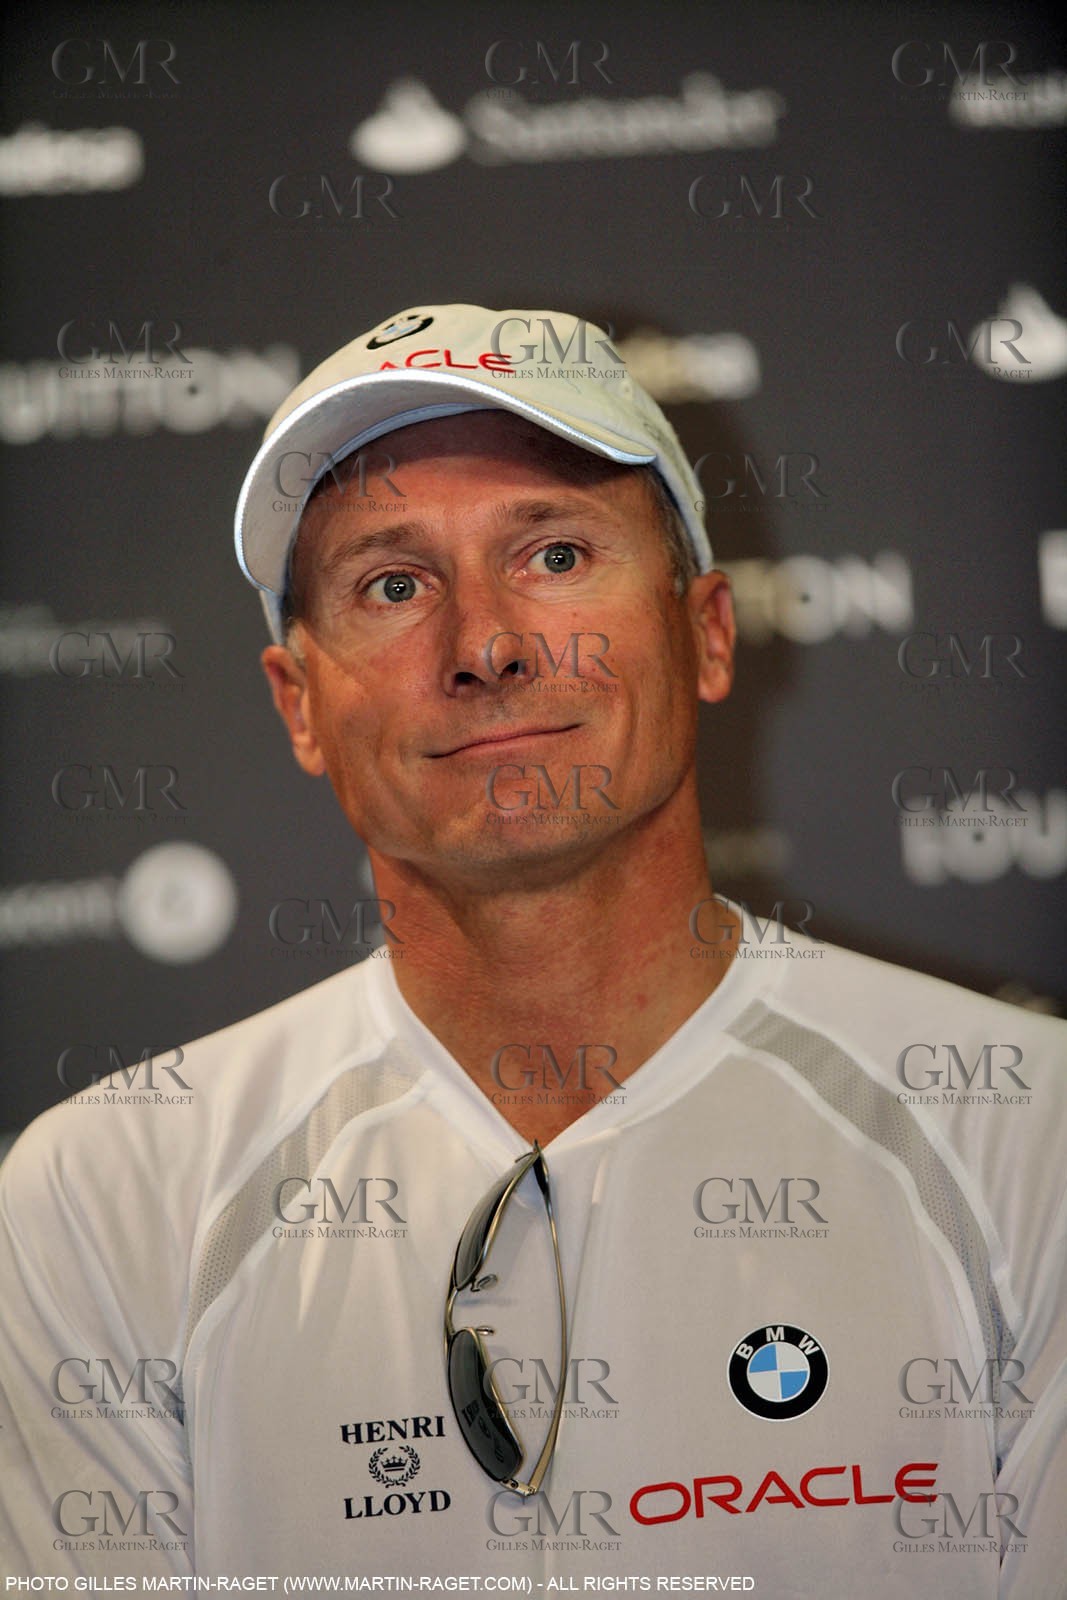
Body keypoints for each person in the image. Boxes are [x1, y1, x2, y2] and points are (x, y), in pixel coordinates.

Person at [1, 304, 1063, 1597]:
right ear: (299, 704)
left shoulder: (1026, 1135)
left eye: (555, 553)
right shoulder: (105, 1201)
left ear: (708, 632)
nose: (487, 645)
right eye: (394, 585)